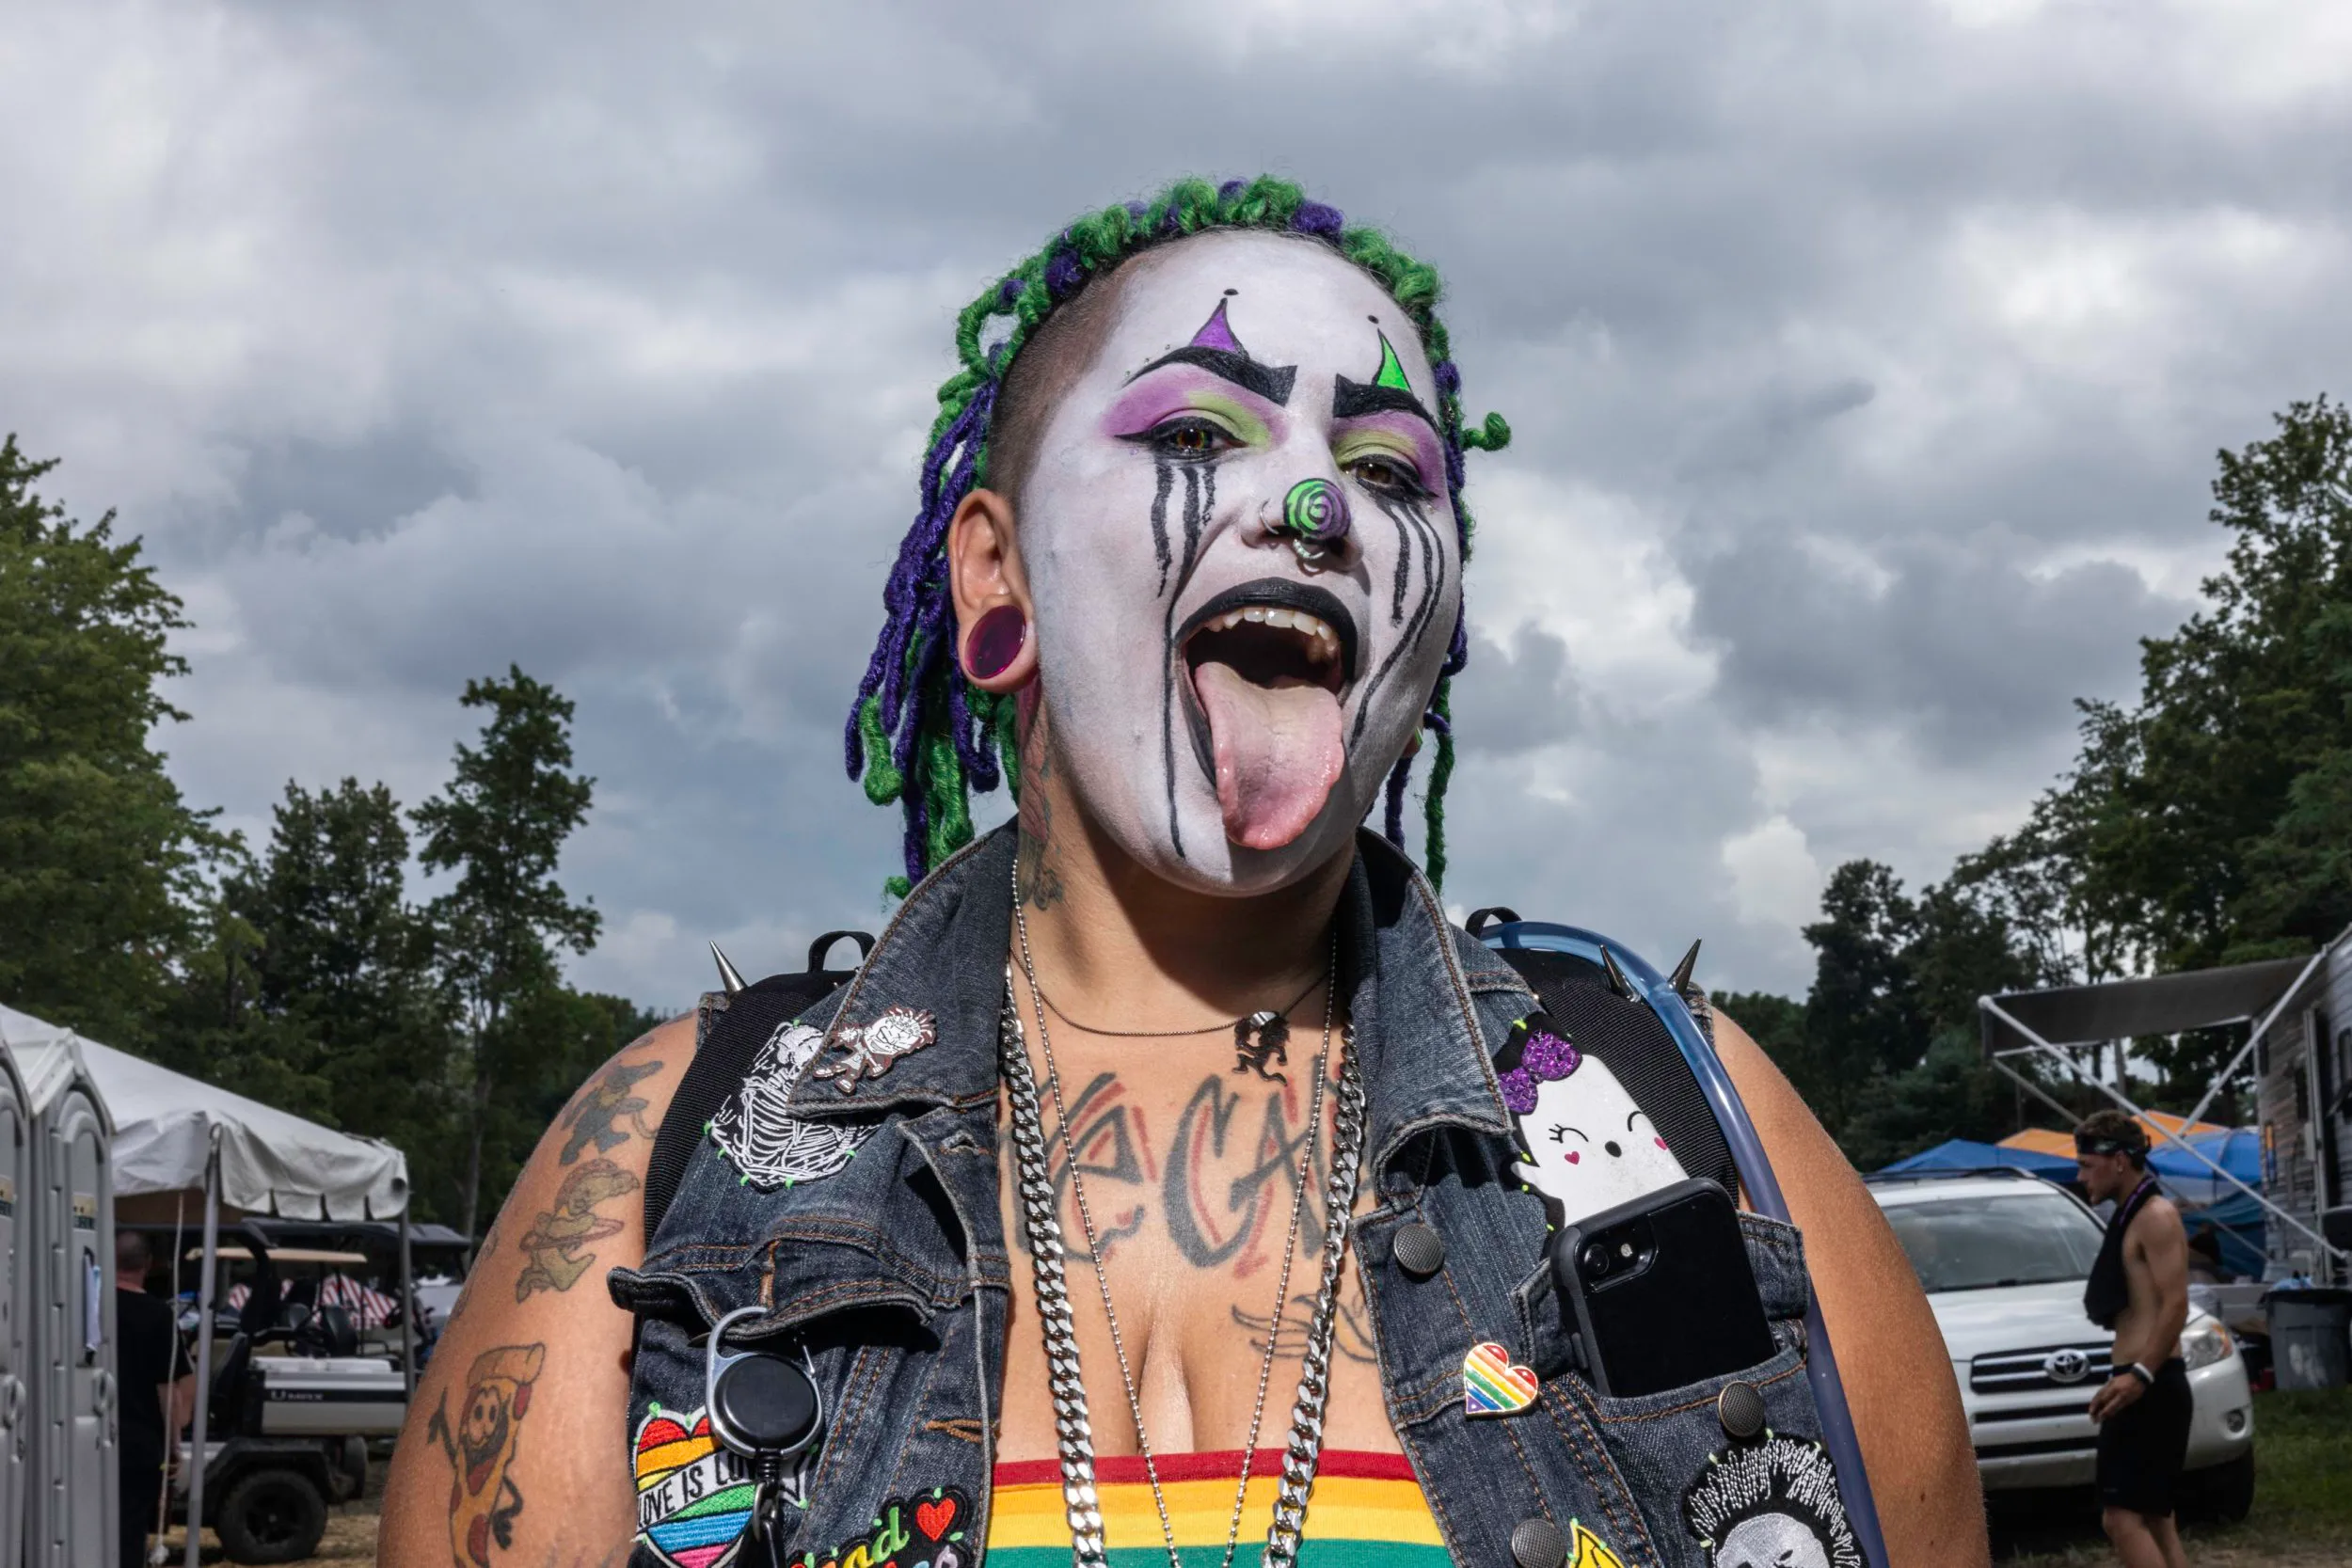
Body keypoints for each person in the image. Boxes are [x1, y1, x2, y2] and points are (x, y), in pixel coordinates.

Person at [381, 176, 1983, 1568]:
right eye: (1199, 429)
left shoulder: (1677, 1127)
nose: (1313, 508)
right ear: (995, 581)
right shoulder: (670, 1164)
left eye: (1394, 472)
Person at [2076, 1111, 2193, 1568]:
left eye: (2088, 1164)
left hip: (2153, 1383)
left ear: (2119, 1161)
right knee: (2156, 1521)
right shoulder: (2130, 1216)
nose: (2080, 1174)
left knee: (2122, 1520)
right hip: (2140, 1377)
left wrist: (2140, 1376)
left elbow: (2176, 1305)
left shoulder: (2156, 1216)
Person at [115, 1229, 195, 1568]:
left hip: (88, 1439)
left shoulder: (88, 1308)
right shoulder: (159, 1316)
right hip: (139, 1445)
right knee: (130, 1531)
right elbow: (168, 1390)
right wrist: (173, 1445)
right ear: (148, 1264)